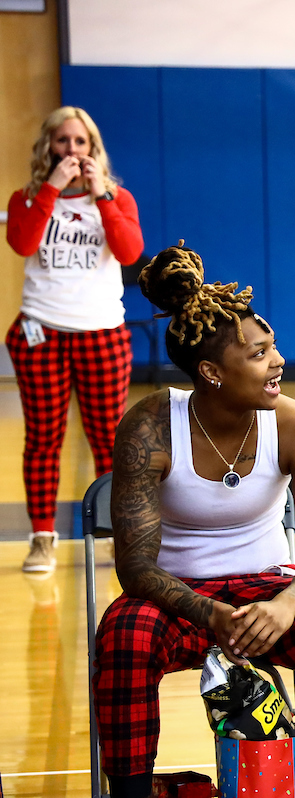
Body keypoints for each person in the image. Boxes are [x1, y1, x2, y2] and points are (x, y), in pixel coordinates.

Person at [95, 242, 295, 798]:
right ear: (211, 371)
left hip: (270, 591)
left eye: (272, 347)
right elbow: (134, 567)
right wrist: (210, 612)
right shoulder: (151, 425)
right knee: (124, 634)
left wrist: (286, 603)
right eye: (257, 354)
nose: (278, 362)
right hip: (177, 597)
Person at [5, 106, 143, 573]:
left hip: (100, 333)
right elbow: (22, 244)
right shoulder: (26, 198)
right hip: (40, 332)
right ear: (49, 147)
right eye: (62, 141)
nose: (71, 150)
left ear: (93, 148)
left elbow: (129, 252)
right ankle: (42, 538)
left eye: (80, 142)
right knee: (43, 438)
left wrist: (102, 194)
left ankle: (113, 531)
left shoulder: (117, 197)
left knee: (109, 438)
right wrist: (51, 189)